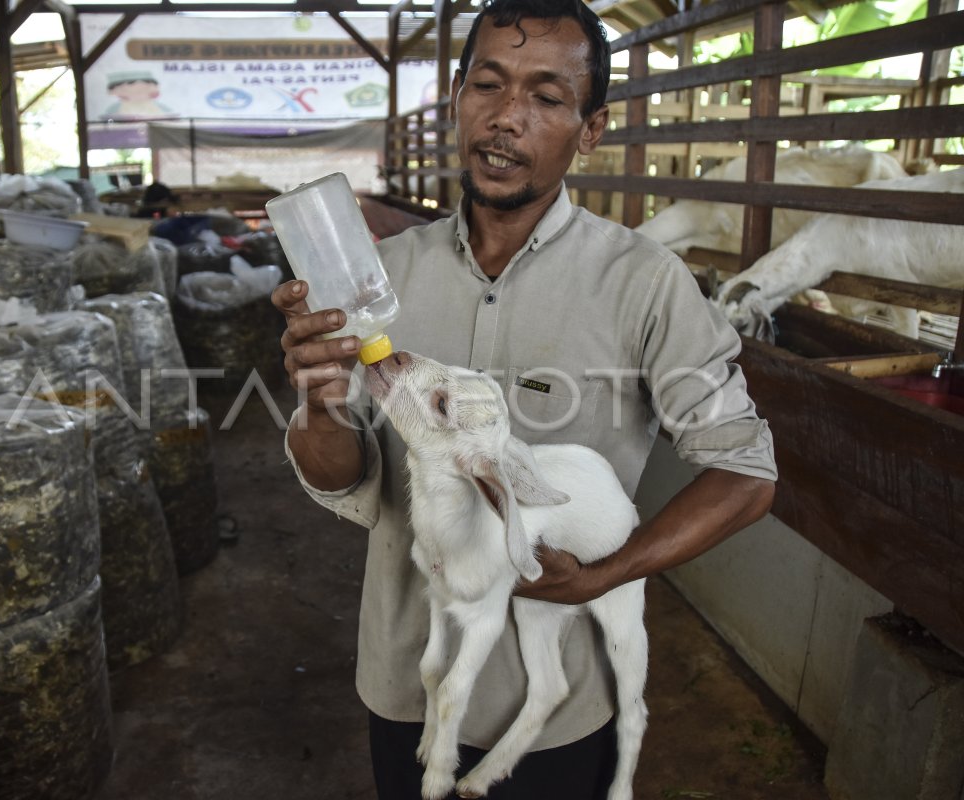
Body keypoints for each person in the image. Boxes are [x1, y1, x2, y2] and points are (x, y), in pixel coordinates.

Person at [271, 0, 777, 797]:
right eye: (488, 84)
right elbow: (340, 477)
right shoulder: (379, 279)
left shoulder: (644, 285)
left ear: (591, 127)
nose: (506, 118)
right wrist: (319, 402)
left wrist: (606, 575)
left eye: (546, 97)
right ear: (457, 99)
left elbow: (745, 473)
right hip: (410, 686)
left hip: (558, 712)